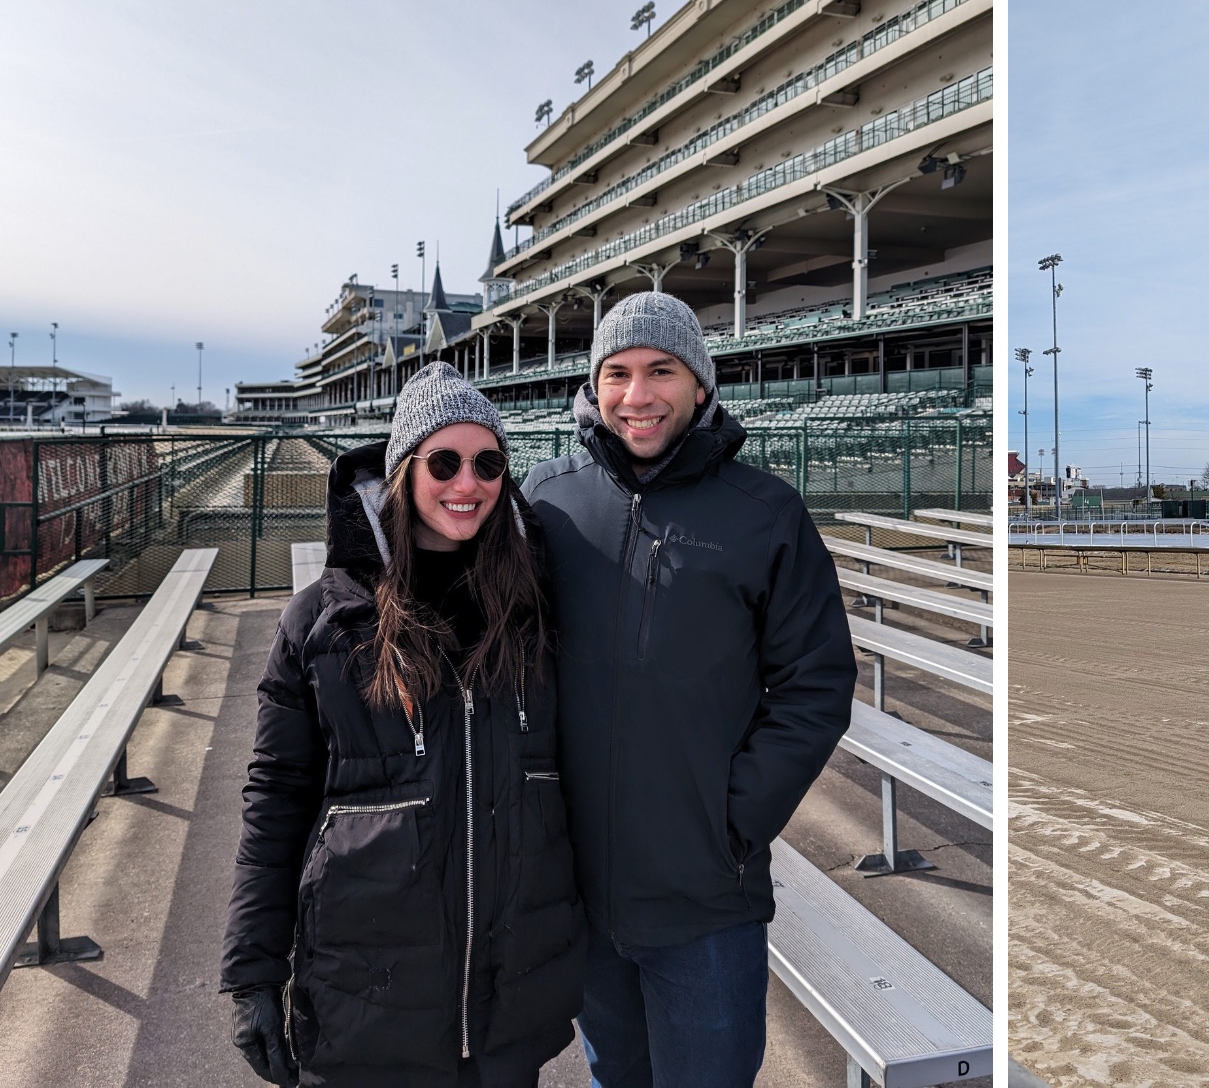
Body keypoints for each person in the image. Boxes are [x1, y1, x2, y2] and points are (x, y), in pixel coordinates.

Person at [522, 292, 855, 1087]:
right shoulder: (546, 500)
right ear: (593, 386)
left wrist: (733, 821)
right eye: (618, 373)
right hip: (579, 892)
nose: (637, 396)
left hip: (705, 897)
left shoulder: (764, 512)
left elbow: (816, 682)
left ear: (700, 385)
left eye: (661, 371)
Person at [222, 363, 586, 1087]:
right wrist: (251, 971)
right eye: (444, 461)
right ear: (402, 471)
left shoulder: (536, 608)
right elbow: (276, 799)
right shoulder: (325, 620)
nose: (468, 482)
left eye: (488, 463)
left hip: (506, 1004)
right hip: (368, 1001)